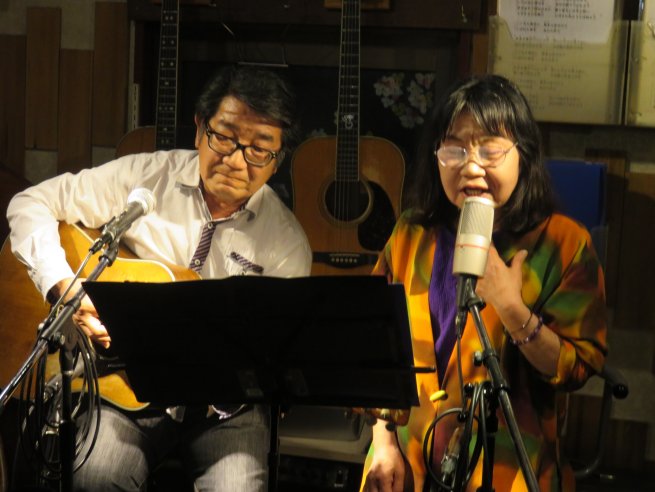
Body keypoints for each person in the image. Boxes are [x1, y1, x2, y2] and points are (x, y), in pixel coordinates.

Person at [7, 64, 312, 491]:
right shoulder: (145, 178)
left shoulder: (286, 245)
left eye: (259, 149)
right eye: (224, 137)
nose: (235, 160)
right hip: (123, 390)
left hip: (225, 411)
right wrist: (63, 288)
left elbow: (274, 356)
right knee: (96, 478)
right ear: (199, 128)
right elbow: (30, 203)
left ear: (277, 161)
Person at [360, 74, 607, 492]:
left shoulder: (564, 243)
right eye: (454, 149)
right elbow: (377, 349)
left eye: (490, 150)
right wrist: (383, 442)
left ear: (523, 155)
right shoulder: (411, 234)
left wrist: (512, 309)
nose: (471, 166)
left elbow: (578, 368)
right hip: (404, 464)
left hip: (507, 470)